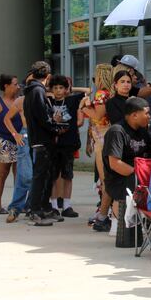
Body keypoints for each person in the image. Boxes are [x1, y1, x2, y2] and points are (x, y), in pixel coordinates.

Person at [103, 97, 151, 219]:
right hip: (120, 178)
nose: (150, 117)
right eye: (147, 113)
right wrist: (140, 175)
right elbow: (115, 164)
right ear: (135, 115)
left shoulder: (142, 131)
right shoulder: (117, 131)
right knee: (133, 184)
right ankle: (118, 226)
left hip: (137, 175)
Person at [23, 61, 58, 227]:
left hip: (39, 138)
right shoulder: (37, 91)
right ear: (48, 76)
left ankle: (41, 207)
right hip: (42, 139)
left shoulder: (33, 90)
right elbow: (43, 117)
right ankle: (35, 210)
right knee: (40, 176)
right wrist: (55, 127)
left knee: (44, 175)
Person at [47, 75, 84, 219]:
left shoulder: (71, 100)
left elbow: (88, 91)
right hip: (53, 143)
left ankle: (67, 205)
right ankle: (54, 205)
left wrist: (70, 89)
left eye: (61, 88)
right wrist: (48, 90)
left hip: (68, 143)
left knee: (67, 175)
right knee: (54, 175)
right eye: (55, 88)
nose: (58, 91)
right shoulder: (48, 101)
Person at [0, 74, 21, 215]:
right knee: (3, 172)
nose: (18, 87)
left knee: (19, 174)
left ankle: (17, 204)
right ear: (6, 86)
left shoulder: (20, 100)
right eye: (15, 84)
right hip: (3, 139)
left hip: (20, 140)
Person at [2, 73, 34, 223]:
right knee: (24, 174)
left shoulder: (44, 98)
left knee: (38, 175)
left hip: (41, 137)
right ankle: (15, 207)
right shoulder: (21, 100)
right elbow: (6, 118)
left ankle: (31, 206)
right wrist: (15, 134)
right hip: (25, 137)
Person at [80, 63, 113, 190]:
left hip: (102, 135)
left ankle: (106, 207)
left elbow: (98, 116)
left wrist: (83, 108)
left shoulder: (101, 94)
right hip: (107, 133)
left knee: (104, 176)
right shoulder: (111, 92)